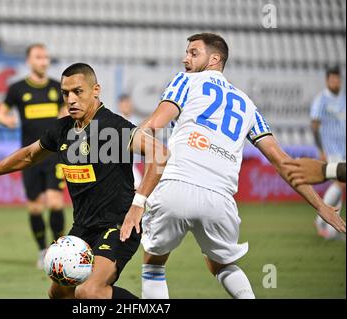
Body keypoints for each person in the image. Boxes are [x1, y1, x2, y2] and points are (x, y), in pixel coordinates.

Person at [120, 33, 346, 299]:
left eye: (194, 53)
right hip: (220, 201)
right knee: (221, 264)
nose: (185, 58)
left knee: (154, 263)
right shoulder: (248, 105)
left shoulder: (185, 81)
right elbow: (282, 162)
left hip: (175, 187)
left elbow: (152, 128)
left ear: (214, 59)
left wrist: (122, 148)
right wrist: (320, 206)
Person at [0, 63, 168, 299]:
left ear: (96, 90)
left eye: (78, 91)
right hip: (83, 227)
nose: (70, 99)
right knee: (59, 291)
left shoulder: (113, 127)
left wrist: (138, 204)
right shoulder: (63, 129)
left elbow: (160, 154)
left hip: (118, 225)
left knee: (89, 291)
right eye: (65, 93)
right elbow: (29, 155)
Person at [0, 43, 66, 268]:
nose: (43, 61)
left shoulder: (57, 87)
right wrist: (6, 120)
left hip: (54, 154)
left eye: (45, 57)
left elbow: (65, 112)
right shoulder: (17, 89)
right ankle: (42, 250)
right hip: (29, 156)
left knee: (56, 203)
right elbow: (1, 112)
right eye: (38, 57)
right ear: (29, 61)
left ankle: (57, 250)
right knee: (35, 207)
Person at [310, 66, 346, 239]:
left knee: (341, 185)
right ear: (327, 80)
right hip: (331, 150)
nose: (336, 81)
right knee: (341, 183)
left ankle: (333, 230)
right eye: (332, 79)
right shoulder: (321, 99)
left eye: (338, 79)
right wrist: (320, 149)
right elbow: (315, 125)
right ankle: (320, 218)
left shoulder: (344, 99)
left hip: (344, 149)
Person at [117, 94, 143, 189]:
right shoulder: (116, 120)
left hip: (133, 163)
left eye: (127, 104)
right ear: (119, 106)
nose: (126, 106)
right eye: (123, 104)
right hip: (119, 163)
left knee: (136, 186)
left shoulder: (136, 121)